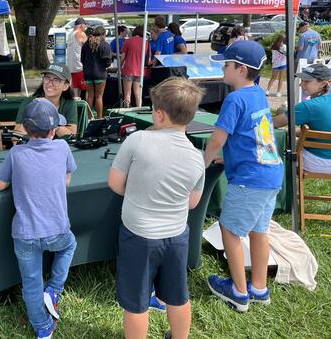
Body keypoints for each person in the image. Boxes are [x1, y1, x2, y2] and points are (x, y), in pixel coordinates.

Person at [108, 77, 206, 339]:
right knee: (177, 295)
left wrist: (140, 193)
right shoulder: (197, 156)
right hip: (177, 236)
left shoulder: (137, 140)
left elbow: (115, 183)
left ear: (160, 115)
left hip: (139, 236)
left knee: (136, 304)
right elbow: (193, 202)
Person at [204, 40, 284, 313]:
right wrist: (230, 157)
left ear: (240, 69)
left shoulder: (234, 98)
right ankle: (259, 288)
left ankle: (238, 291)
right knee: (259, 230)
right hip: (271, 173)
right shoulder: (258, 94)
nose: (222, 69)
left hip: (249, 178)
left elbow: (217, 138)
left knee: (229, 230)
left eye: (226, 64)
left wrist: (203, 162)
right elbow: (255, 137)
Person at [0, 98, 77, 339]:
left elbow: (0, 184)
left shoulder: (16, 152)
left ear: (25, 130)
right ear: (54, 131)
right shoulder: (62, 148)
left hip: (25, 234)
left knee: (31, 282)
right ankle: (54, 290)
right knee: (70, 245)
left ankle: (43, 329)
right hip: (58, 230)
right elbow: (66, 179)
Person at [273, 64, 331, 173]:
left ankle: (283, 187)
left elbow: (273, 123)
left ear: (322, 84)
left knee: (283, 145)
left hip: (319, 162)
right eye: (302, 80)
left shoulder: (309, 106)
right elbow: (321, 132)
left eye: (306, 81)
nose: (301, 84)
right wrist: (289, 132)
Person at [14, 63, 78, 137]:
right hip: (34, 147)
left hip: (59, 148)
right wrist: (34, 113)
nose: (50, 84)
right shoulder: (29, 103)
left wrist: (52, 120)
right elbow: (16, 139)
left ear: (66, 86)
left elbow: (72, 136)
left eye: (56, 80)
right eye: (47, 78)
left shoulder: (69, 103)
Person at [81, 25, 112, 118]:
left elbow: (82, 59)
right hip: (100, 74)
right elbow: (108, 63)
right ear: (103, 34)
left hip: (88, 74)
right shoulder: (104, 45)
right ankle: (99, 118)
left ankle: (89, 117)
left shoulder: (86, 44)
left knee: (90, 96)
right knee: (99, 97)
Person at [120, 25, 150, 107]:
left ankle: (126, 111)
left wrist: (119, 67)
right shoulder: (146, 42)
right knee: (138, 94)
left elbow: (123, 57)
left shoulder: (128, 41)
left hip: (128, 70)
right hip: (140, 71)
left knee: (127, 94)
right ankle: (139, 111)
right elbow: (148, 58)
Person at [66, 17, 88, 97]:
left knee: (75, 89)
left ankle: (76, 107)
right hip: (80, 66)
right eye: (85, 26)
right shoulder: (80, 33)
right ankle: (87, 107)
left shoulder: (70, 34)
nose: (85, 28)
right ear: (82, 25)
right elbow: (88, 48)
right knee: (87, 89)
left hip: (71, 66)